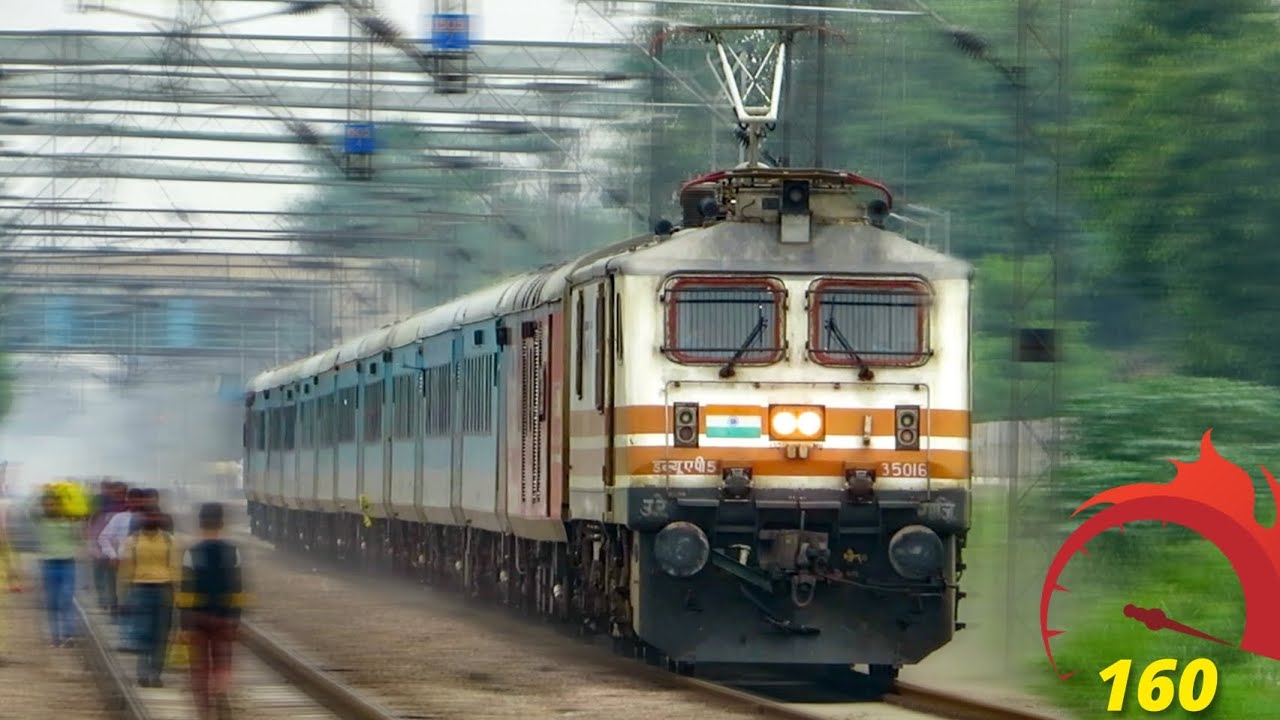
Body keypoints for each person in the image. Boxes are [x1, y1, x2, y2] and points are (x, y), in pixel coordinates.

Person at [178, 503, 244, 720]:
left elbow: (186, 591)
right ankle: (221, 690)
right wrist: (235, 619)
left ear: (200, 522)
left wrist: (184, 626)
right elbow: (237, 588)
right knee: (223, 661)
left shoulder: (191, 552)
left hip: (198, 617)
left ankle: (204, 710)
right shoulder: (233, 551)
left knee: (199, 667)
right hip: (223, 617)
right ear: (221, 523)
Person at [118, 508, 178, 687]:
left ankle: (156, 673)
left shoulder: (170, 541)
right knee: (143, 633)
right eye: (148, 515)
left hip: (164, 589)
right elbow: (125, 571)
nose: (151, 518)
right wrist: (122, 598)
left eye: (154, 515)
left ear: (160, 518)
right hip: (140, 590)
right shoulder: (132, 541)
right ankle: (143, 672)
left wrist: (179, 596)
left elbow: (176, 569)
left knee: (161, 635)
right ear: (142, 518)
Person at [34, 488, 81, 646]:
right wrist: (44, 491)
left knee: (66, 599)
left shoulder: (70, 521)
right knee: (52, 602)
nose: (50, 508)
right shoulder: (40, 521)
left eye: (53, 505)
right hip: (49, 564)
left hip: (67, 563)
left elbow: (79, 537)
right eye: (47, 505)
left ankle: (68, 634)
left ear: (60, 505)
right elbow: (28, 508)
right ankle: (55, 636)